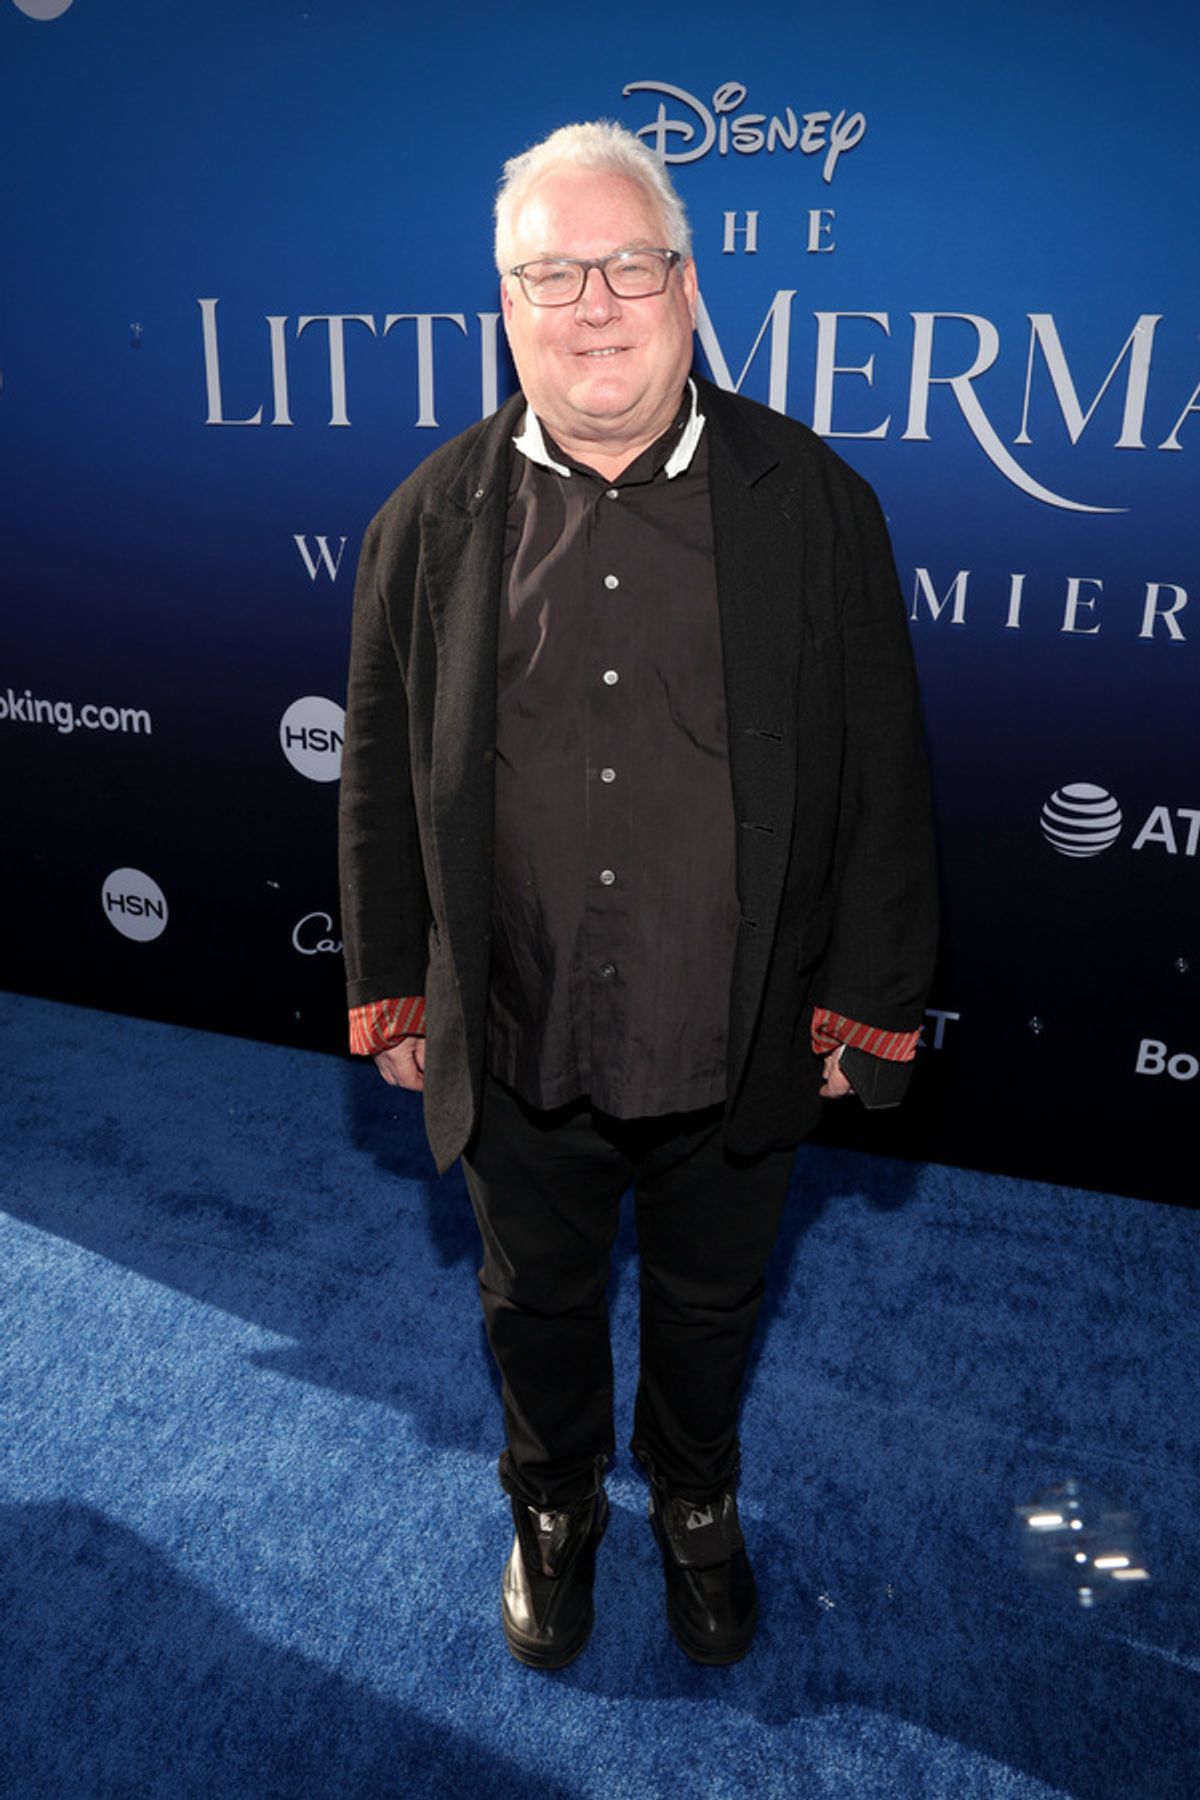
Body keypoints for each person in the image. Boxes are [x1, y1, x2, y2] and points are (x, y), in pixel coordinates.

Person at [338, 120, 938, 1670]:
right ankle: (553, 1501)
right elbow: (383, 783)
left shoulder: (815, 507)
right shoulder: (423, 526)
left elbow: (884, 777)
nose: (593, 305)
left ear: (685, 285)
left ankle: (692, 1496)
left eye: (627, 267)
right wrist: (395, 982)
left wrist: (865, 1009)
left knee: (713, 1298)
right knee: (530, 1299)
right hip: (523, 1018)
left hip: (731, 1029)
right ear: (506, 306)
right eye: (553, 275)